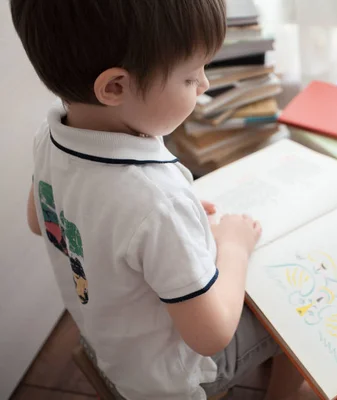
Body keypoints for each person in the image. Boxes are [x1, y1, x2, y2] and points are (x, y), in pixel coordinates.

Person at [11, 0, 310, 398]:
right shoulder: (155, 200)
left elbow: (41, 221)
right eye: (189, 77)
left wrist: (161, 233)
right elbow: (212, 335)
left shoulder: (50, 136)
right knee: (293, 316)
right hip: (170, 381)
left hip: (105, 339)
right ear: (115, 87)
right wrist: (233, 247)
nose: (204, 84)